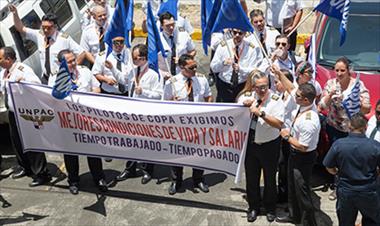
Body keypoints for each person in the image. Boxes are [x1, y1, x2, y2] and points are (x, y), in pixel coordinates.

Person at [319, 57, 371, 200]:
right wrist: (330, 94)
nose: (339, 73)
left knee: (351, 158)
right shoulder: (331, 84)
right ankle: (337, 186)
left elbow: (367, 109)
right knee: (337, 158)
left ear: (349, 71)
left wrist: (362, 104)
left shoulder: (358, 86)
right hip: (335, 127)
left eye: (343, 70)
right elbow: (322, 106)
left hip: (353, 129)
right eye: (337, 70)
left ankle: (350, 185)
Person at [57, 49, 107, 195]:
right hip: (69, 121)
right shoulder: (55, 78)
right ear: (61, 64)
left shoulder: (84, 71)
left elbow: (97, 87)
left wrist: (92, 95)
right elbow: (52, 98)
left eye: (74, 60)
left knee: (93, 150)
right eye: (69, 61)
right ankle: (73, 181)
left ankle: (99, 178)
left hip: (87, 119)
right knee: (71, 152)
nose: (73, 63)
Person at [237, 70, 284, 223]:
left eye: (265, 86)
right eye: (258, 87)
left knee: (270, 178)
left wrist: (261, 113)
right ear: (253, 87)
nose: (262, 90)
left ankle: (270, 208)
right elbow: (235, 113)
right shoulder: (248, 96)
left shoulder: (276, 100)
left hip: (269, 144)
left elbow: (278, 123)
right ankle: (253, 207)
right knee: (251, 178)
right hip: (251, 144)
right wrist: (243, 107)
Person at [0, 46, 51, 187]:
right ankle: (25, 167)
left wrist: (23, 83)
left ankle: (41, 173)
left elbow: (36, 85)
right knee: (17, 142)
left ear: (8, 59)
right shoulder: (4, 72)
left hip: (24, 113)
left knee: (32, 142)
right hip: (12, 112)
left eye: (0, 59)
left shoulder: (23, 70)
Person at [163, 54, 213, 195]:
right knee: (178, 154)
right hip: (179, 125)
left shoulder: (201, 80)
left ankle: (198, 179)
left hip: (198, 124)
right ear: (181, 68)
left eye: (195, 66)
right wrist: (172, 102)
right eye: (191, 68)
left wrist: (208, 111)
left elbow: (208, 96)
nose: (195, 70)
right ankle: (176, 180)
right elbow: (164, 104)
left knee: (199, 153)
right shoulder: (172, 82)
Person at [9, 4, 94, 85]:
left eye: (49, 28)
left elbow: (82, 53)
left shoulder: (64, 39)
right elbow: (21, 28)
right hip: (46, 78)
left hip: (60, 79)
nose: (45, 30)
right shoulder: (39, 35)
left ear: (55, 27)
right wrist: (15, 14)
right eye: (43, 27)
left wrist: (71, 69)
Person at [114, 44, 163, 184]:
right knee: (131, 142)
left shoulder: (153, 75)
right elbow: (123, 80)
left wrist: (144, 92)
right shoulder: (133, 71)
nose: (133, 60)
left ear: (142, 58)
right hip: (132, 113)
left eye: (135, 58)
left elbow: (159, 95)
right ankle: (130, 168)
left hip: (146, 115)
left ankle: (148, 170)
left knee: (147, 143)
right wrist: (112, 68)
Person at [323, 113, 380, 226]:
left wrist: (337, 172)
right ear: (366, 127)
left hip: (346, 191)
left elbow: (328, 166)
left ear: (349, 127)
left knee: (345, 222)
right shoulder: (375, 146)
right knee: (372, 221)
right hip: (368, 191)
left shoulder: (338, 145)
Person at [276, 83, 320, 226]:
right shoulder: (303, 106)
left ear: (306, 100)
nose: (294, 96)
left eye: (298, 96)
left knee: (302, 192)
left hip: (303, 158)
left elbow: (303, 146)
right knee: (293, 187)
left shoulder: (309, 121)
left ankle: (308, 222)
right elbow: (290, 87)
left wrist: (287, 136)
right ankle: (294, 215)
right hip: (295, 155)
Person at [211, 29, 264, 103]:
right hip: (225, 85)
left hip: (242, 86)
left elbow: (253, 71)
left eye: (240, 33)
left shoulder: (251, 49)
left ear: (245, 33)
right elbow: (213, 68)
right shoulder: (223, 46)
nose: (237, 35)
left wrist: (241, 69)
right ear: (231, 32)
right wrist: (223, 63)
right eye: (235, 32)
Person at [158, 12, 196, 80]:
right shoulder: (157, 39)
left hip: (182, 75)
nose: (171, 27)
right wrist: (162, 74)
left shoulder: (183, 35)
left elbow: (193, 51)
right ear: (161, 26)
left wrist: (183, 60)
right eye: (167, 25)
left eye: (173, 24)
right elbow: (150, 61)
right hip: (164, 76)